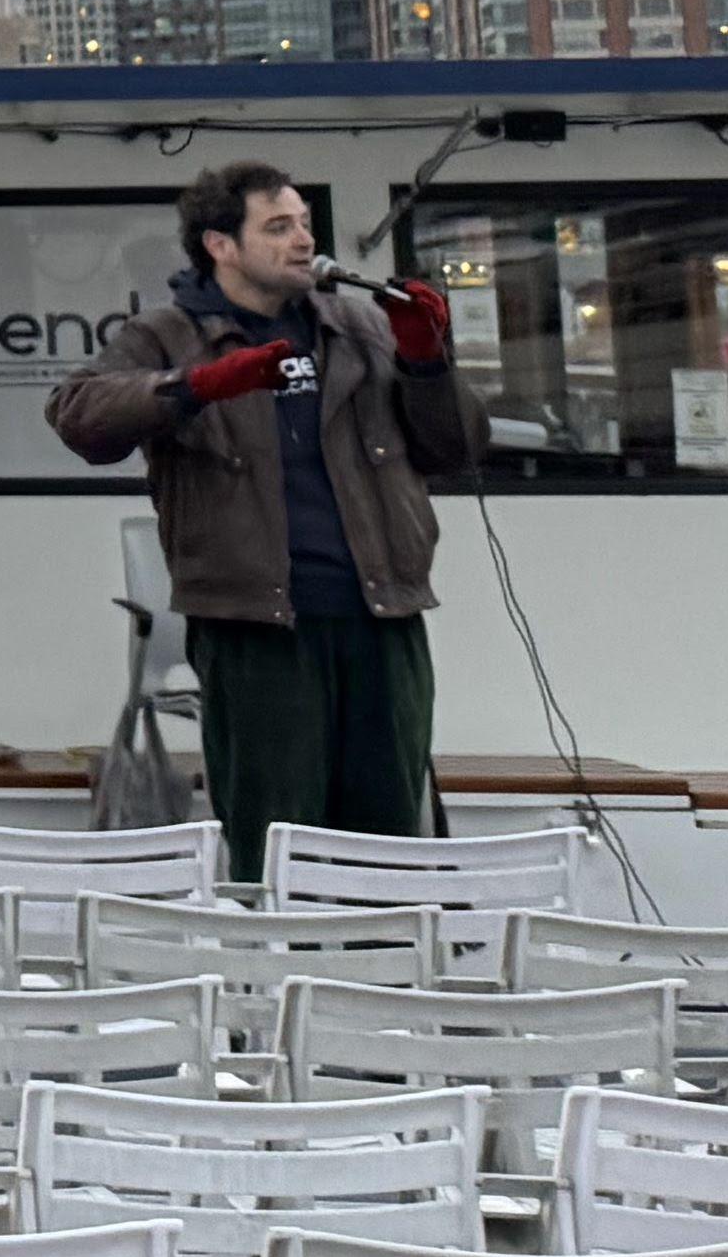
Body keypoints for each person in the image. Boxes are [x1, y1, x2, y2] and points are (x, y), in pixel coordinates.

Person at [49, 159, 479, 891]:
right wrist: (192, 387)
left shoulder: (360, 325)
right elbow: (78, 415)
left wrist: (425, 361)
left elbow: (456, 449)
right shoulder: (168, 334)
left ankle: (383, 966)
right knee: (274, 840)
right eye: (277, 227)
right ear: (220, 245)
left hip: (384, 615)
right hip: (255, 628)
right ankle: (281, 963)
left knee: (389, 850)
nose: (303, 240)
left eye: (305, 223)